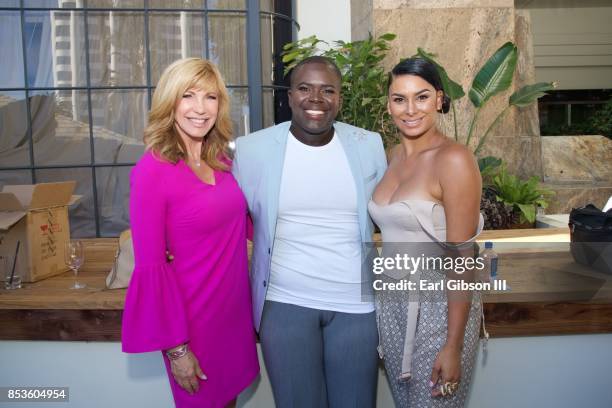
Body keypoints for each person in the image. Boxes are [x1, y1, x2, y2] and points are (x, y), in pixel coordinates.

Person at [232, 56, 388, 407]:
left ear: (340, 99)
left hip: (356, 304)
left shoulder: (369, 145)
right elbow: (228, 221)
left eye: (327, 90)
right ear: (289, 96)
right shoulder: (253, 150)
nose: (315, 98)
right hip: (285, 303)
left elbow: (393, 216)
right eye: (304, 88)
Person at [121, 58, 259, 408]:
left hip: (233, 315)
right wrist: (177, 350)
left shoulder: (222, 162)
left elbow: (249, 225)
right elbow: (151, 265)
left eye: (210, 97)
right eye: (188, 96)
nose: (200, 108)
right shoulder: (152, 171)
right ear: (170, 102)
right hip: (192, 324)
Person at [368, 57, 484, 407]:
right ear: (388, 104)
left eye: (421, 97)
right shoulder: (392, 157)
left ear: (438, 99)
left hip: (438, 307)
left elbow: (462, 257)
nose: (409, 109)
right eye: (399, 99)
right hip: (392, 301)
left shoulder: (454, 159)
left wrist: (453, 344)